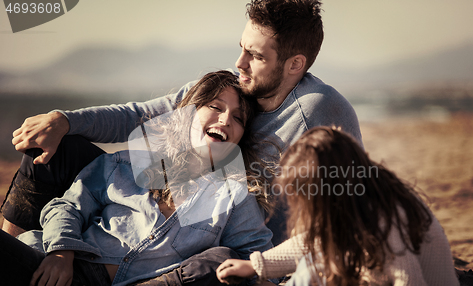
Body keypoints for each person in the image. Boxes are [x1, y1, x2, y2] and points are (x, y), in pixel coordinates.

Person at [2, 0, 363, 246]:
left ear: (295, 65)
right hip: (164, 200)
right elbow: (139, 116)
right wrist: (64, 119)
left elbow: (353, 201)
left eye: (254, 55)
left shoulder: (319, 110)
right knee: (50, 150)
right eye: (241, 47)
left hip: (223, 235)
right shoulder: (228, 89)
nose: (239, 62)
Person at [0, 71, 274, 286]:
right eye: (215, 107)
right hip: (53, 269)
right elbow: (68, 206)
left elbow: (261, 263)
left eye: (238, 118)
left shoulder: (234, 197)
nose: (226, 120)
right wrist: (61, 252)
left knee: (221, 259)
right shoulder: (128, 163)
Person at [166, 127, 460, 286]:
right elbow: (312, 241)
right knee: (317, 267)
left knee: (318, 274)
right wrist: (254, 265)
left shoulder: (383, 222)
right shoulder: (365, 190)